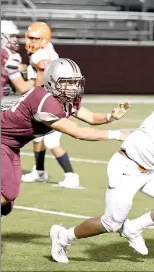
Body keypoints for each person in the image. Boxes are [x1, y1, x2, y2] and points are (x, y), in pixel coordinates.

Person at [48, 84, 154, 263]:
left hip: (150, 171)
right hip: (127, 167)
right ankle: (62, 237)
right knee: (111, 224)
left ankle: (133, 228)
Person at [1, 58, 130, 217]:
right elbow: (78, 132)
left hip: (11, 147)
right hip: (2, 141)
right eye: (67, 82)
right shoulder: (44, 100)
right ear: (52, 81)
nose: (73, 87)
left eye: (75, 82)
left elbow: (90, 117)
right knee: (8, 193)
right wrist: (118, 135)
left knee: (7, 202)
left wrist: (111, 116)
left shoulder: (63, 100)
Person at [20, 22, 80, 189]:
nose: (32, 41)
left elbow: (40, 82)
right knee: (37, 136)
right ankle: (39, 171)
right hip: (52, 97)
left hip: (53, 101)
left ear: (45, 40)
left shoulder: (41, 57)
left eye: (36, 38)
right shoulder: (45, 51)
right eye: (30, 37)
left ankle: (71, 175)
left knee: (51, 140)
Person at [1, 20, 40, 95]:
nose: (15, 39)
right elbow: (23, 88)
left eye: (16, 36)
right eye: (12, 36)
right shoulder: (10, 56)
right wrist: (36, 79)